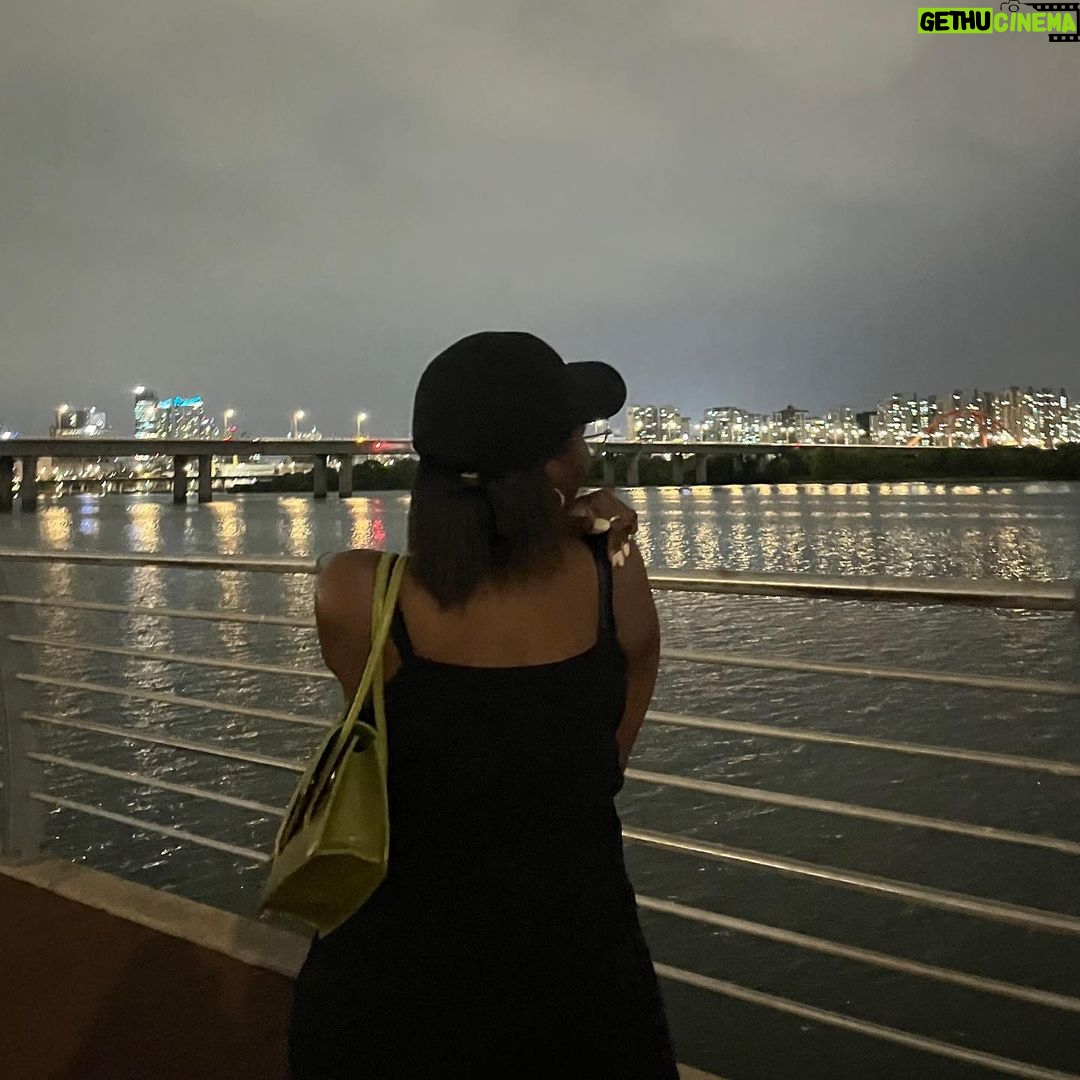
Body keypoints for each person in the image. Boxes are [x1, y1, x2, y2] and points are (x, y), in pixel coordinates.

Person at [288, 331, 679, 1079]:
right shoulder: (611, 575)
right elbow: (621, 724)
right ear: (556, 467)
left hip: (388, 982)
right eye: (577, 438)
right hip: (578, 974)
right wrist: (588, 531)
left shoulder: (353, 592)